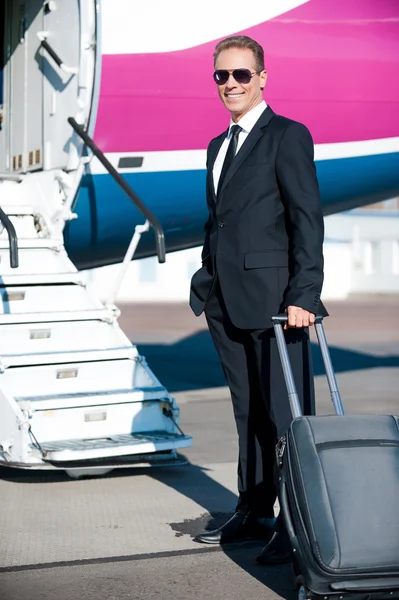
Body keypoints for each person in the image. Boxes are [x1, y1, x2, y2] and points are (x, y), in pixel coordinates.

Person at [189, 35, 327, 564]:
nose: (230, 85)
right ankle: (253, 506)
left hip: (277, 303)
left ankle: (299, 525)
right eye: (221, 76)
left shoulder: (287, 136)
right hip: (225, 300)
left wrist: (305, 293)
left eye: (241, 75)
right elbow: (219, 220)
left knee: (286, 416)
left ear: (262, 78)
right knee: (246, 411)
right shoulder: (217, 146)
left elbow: (305, 219)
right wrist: (206, 276)